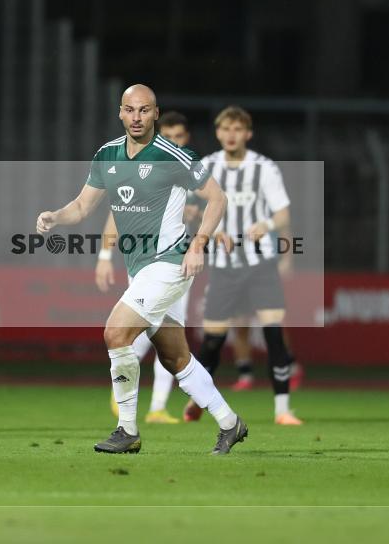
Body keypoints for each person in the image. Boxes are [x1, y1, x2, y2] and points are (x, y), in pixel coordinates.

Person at [37, 84, 248, 454]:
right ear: (120, 113)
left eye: (144, 110)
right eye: (130, 110)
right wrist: (56, 216)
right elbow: (83, 206)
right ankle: (230, 423)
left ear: (155, 113)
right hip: (140, 269)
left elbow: (218, 198)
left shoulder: (173, 155)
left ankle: (127, 429)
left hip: (169, 263)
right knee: (174, 357)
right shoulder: (107, 155)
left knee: (116, 333)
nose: (136, 117)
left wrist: (198, 244)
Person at [182, 106, 303, 426]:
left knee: (273, 331)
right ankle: (198, 399)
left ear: (248, 133)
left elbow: (283, 214)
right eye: (225, 129)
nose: (231, 134)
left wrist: (266, 225)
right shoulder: (207, 166)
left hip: (261, 263)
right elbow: (189, 209)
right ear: (218, 133)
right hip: (223, 266)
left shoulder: (264, 168)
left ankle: (282, 410)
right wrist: (211, 229)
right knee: (213, 340)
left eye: (237, 129)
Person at [96, 111, 199, 425]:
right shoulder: (143, 168)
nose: (173, 142)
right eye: (168, 136)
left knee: (168, 333)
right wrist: (103, 255)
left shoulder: (190, 168)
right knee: (150, 332)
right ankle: (126, 391)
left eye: (179, 137)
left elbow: (213, 209)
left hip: (179, 262)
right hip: (147, 264)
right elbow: (117, 212)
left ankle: (155, 407)